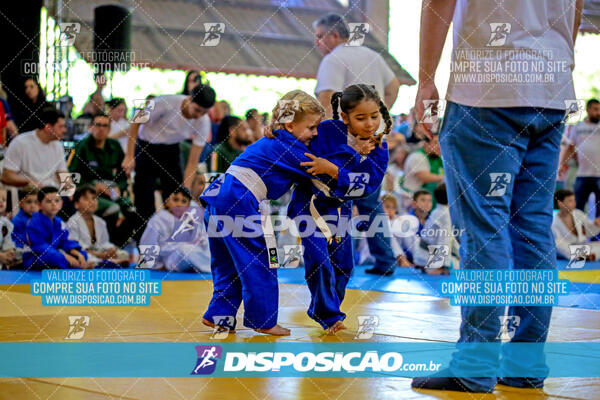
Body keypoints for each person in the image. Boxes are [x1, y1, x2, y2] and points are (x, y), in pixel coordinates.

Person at [412, 0, 582, 393]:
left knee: (483, 229)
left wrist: (426, 79)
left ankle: (475, 365)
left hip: (486, 91)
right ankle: (525, 366)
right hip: (551, 88)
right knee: (534, 230)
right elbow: (575, 8)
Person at [200, 90, 344, 336]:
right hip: (239, 199)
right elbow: (324, 174)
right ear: (290, 124)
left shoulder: (274, 138)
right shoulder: (291, 148)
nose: (316, 133)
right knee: (262, 259)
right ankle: (263, 320)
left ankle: (219, 315)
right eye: (311, 127)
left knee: (228, 263)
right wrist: (337, 168)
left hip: (220, 195)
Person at [286, 84, 391, 331]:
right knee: (319, 259)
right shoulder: (326, 130)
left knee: (344, 265)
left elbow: (366, 186)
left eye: (374, 116)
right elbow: (297, 136)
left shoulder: (379, 147)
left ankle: (327, 309)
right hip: (308, 205)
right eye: (361, 118)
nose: (369, 124)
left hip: (339, 210)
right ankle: (330, 316)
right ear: (344, 117)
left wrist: (332, 168)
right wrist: (274, 130)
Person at [313, 13, 399, 276]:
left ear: (334, 35)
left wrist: (328, 140)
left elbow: (327, 100)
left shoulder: (333, 58)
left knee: (337, 200)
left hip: (346, 141)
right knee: (370, 200)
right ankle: (384, 260)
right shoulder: (372, 54)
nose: (317, 43)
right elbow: (394, 85)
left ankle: (336, 263)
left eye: (319, 37)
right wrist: (376, 118)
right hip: (374, 138)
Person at [122, 84, 216, 227]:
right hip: (146, 147)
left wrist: (186, 191)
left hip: (171, 151)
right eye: (197, 110)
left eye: (203, 112)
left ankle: (173, 240)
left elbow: (192, 162)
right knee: (144, 199)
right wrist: (129, 156)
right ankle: (144, 242)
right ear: (189, 99)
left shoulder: (203, 121)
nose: (198, 115)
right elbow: (135, 121)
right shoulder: (165, 102)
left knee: (177, 198)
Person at [69, 113, 134, 246]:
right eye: (97, 125)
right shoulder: (82, 146)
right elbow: (72, 176)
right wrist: (94, 187)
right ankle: (103, 245)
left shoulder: (115, 146)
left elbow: (123, 177)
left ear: (109, 129)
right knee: (113, 209)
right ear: (91, 127)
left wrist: (119, 188)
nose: (101, 129)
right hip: (90, 193)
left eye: (105, 126)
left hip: (112, 192)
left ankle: (117, 245)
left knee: (134, 211)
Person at [139, 187, 210, 273]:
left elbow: (203, 240)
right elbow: (148, 241)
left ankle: (215, 266)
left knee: (211, 249)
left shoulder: (192, 220)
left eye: (184, 201)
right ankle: (212, 268)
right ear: (167, 202)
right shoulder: (158, 219)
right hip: (171, 259)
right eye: (175, 200)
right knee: (185, 249)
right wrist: (155, 265)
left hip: (193, 254)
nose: (179, 204)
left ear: (188, 206)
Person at [23, 187, 90, 270]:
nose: (54, 204)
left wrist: (76, 253)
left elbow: (64, 241)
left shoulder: (59, 222)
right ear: (39, 205)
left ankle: (72, 264)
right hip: (37, 257)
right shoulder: (34, 222)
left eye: (57, 201)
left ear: (61, 203)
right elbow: (40, 246)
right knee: (56, 257)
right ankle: (74, 266)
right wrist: (64, 255)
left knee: (83, 254)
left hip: (56, 253)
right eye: (48, 201)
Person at [2, 108, 68, 188]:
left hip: (51, 192)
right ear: (48, 128)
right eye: (61, 127)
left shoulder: (57, 145)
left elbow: (62, 172)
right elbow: (6, 176)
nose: (64, 130)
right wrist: (29, 182)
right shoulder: (20, 142)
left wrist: (70, 190)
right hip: (29, 193)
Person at [67, 186, 129, 268]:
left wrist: (112, 249)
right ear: (76, 204)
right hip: (83, 253)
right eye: (86, 199)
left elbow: (104, 243)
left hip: (98, 252)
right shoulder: (72, 222)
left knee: (124, 254)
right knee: (84, 256)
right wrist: (100, 255)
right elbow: (75, 247)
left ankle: (105, 261)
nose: (91, 202)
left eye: (94, 198)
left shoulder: (101, 222)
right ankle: (102, 262)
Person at [559, 99, 600, 217]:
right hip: (582, 174)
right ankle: (579, 234)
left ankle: (597, 235)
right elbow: (571, 148)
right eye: (595, 109)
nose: (598, 112)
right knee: (578, 210)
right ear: (588, 110)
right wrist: (562, 164)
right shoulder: (578, 127)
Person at [413, 183, 459, 274]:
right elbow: (444, 241)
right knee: (459, 267)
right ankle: (432, 269)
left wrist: (459, 253)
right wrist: (444, 265)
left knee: (458, 262)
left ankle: (429, 267)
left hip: (424, 252)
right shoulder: (445, 215)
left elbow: (451, 239)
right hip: (428, 255)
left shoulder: (438, 211)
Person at [552, 189, 600, 259]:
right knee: (557, 244)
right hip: (568, 249)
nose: (574, 203)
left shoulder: (578, 213)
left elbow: (589, 231)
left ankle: (586, 256)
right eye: (570, 201)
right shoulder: (554, 222)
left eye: (574, 200)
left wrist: (596, 225)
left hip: (582, 247)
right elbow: (559, 244)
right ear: (560, 203)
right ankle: (584, 255)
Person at [0, 187, 17, 269]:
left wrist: (9, 253)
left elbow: (8, 244)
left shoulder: (7, 224)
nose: (1, 201)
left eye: (4, 199)